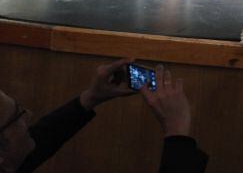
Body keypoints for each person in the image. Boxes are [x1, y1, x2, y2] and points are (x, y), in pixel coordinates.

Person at [0, 58, 207, 172]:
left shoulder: (7, 161)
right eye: (18, 116)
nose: (29, 115)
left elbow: (35, 145)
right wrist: (177, 132)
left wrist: (89, 99)